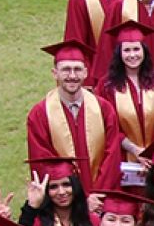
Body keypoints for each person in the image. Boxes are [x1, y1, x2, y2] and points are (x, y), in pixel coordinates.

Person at [25, 41, 121, 189]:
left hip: (101, 198)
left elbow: (112, 155)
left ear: (86, 73)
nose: (72, 75)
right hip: (63, 200)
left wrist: (99, 194)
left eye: (77, 69)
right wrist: (75, 197)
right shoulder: (40, 113)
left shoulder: (104, 109)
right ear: (55, 73)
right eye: (66, 70)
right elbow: (43, 161)